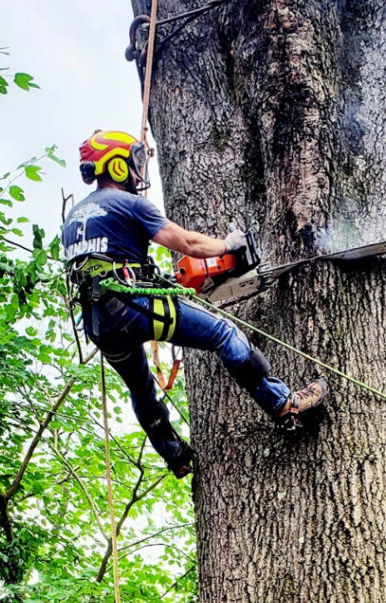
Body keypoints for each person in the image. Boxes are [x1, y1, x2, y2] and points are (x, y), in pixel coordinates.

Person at [62, 129, 327, 478]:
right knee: (222, 333)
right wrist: (228, 245)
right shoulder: (128, 203)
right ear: (117, 166)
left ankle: (175, 455)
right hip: (133, 307)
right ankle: (282, 403)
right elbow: (186, 242)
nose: (137, 169)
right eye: (133, 161)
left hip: (98, 322)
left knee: (140, 386)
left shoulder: (74, 218)